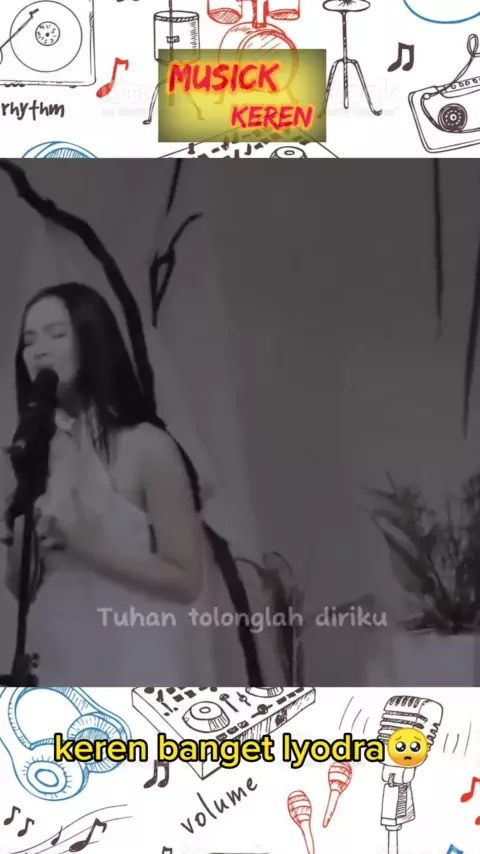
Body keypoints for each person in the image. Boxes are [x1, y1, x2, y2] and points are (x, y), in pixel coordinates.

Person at [2, 282, 262, 686]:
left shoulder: (147, 446)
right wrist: (24, 522)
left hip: (135, 663)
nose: (39, 350)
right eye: (29, 340)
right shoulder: (39, 451)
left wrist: (89, 544)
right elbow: (21, 587)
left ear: (92, 339)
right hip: (55, 659)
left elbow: (185, 580)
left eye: (56, 334)